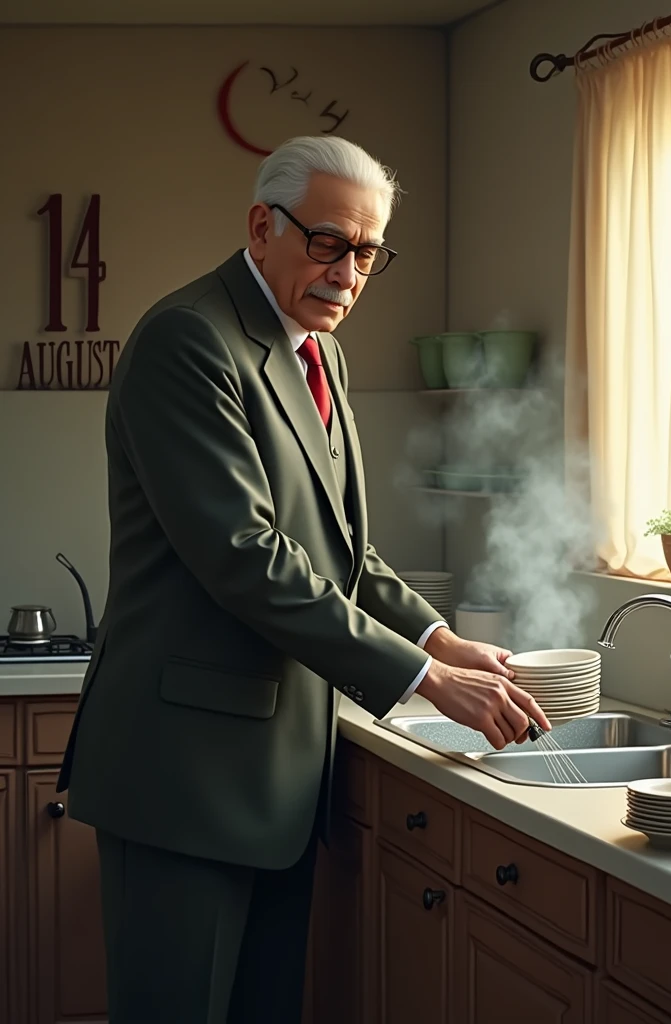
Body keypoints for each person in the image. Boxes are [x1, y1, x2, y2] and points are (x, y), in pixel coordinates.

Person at [57, 135, 549, 1023]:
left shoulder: (318, 352)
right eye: (328, 243)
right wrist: (426, 679)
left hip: (279, 789)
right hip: (184, 780)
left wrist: (438, 636)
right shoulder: (187, 340)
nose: (348, 273)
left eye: (367, 253)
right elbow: (246, 557)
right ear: (261, 226)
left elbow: (341, 550)